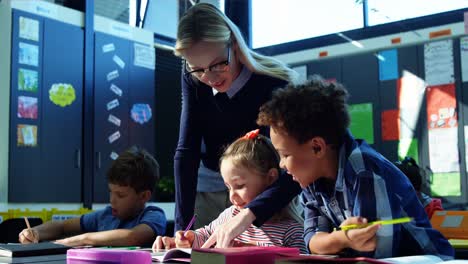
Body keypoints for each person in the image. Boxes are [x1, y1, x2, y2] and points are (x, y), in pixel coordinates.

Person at [256, 77, 454, 259]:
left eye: (285, 155)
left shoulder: (366, 173)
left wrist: (338, 240)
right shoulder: (310, 180)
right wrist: (342, 239)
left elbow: (374, 252)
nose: (282, 165)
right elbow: (311, 241)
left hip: (426, 260)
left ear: (317, 147)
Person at [173, 2, 301, 246]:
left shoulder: (273, 85)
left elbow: (291, 166)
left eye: (219, 64)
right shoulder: (193, 78)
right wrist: (181, 229)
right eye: (197, 69)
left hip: (269, 190)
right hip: (211, 183)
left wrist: (251, 212)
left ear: (234, 44)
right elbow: (186, 151)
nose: (209, 78)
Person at [155, 130, 306, 253]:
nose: (232, 196)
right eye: (228, 187)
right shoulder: (230, 215)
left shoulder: (291, 230)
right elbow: (207, 235)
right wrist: (188, 239)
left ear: (271, 178)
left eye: (239, 186)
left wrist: (253, 252)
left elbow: (301, 259)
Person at [19, 146, 167, 247]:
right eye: (111, 192)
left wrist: (84, 239)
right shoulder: (106, 215)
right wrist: (35, 232)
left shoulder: (154, 215)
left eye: (120, 195)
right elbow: (61, 226)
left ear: (144, 196)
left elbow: (133, 236)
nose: (111, 200)